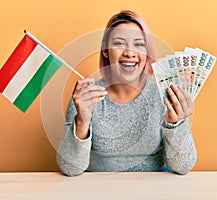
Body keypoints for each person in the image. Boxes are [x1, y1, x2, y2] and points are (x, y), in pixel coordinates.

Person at [57, 10, 197, 176]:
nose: (129, 53)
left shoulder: (165, 94)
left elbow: (183, 166)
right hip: (98, 189)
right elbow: (70, 168)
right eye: (119, 43)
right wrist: (82, 122)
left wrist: (174, 124)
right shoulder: (86, 97)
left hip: (153, 189)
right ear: (105, 50)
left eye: (139, 44)